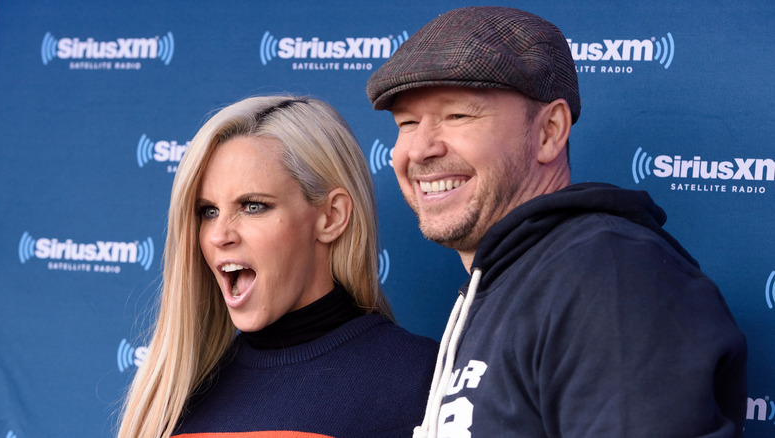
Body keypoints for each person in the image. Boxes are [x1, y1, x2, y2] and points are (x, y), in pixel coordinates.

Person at [366, 6, 747, 438]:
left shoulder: (608, 273)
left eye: (458, 115)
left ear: (549, 131)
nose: (419, 149)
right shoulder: (506, 284)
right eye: (407, 123)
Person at [117, 95, 438, 438]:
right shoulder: (179, 391)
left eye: (253, 206)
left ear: (331, 217)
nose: (219, 235)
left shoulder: (424, 382)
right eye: (208, 211)